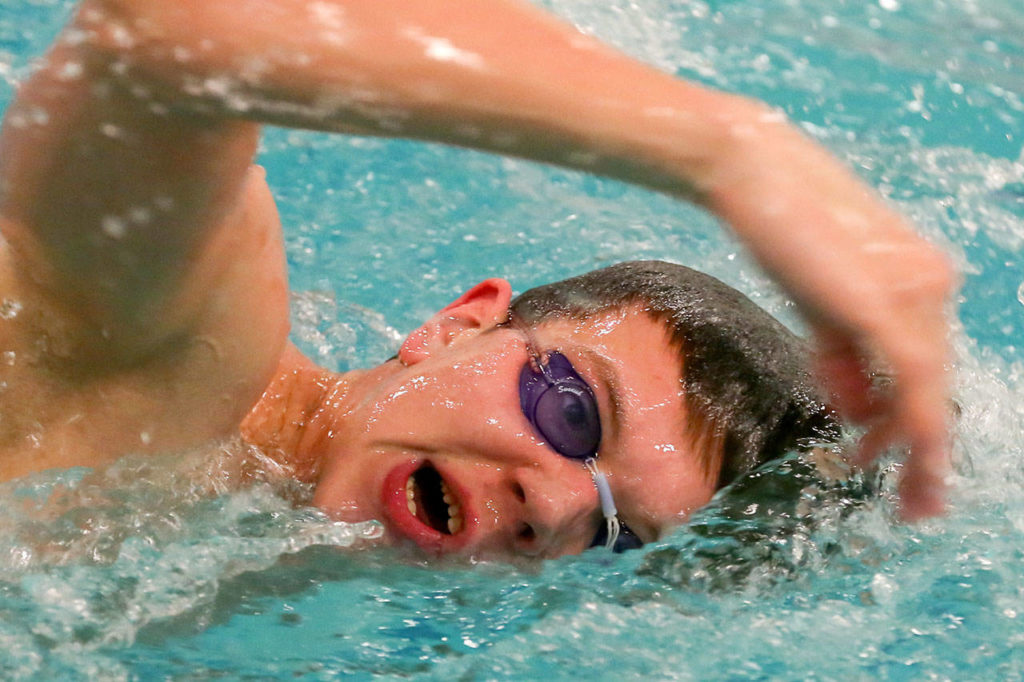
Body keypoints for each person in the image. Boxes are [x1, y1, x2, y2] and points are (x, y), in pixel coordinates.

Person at [0, 0, 954, 559]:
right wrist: (735, 152)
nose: (558, 506)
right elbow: (158, 31)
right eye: (574, 413)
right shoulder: (170, 342)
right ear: (458, 325)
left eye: (612, 534)